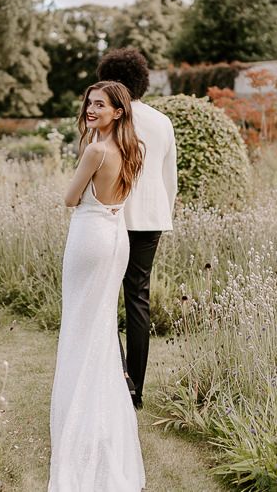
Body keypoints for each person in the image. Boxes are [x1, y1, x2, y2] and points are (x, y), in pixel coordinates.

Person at [48, 80, 146, 492]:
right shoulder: (132, 151)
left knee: (79, 332)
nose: (91, 109)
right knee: (102, 333)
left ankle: (79, 429)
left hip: (89, 239)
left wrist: (88, 147)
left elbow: (70, 199)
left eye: (100, 105)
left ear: (118, 111)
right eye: (89, 103)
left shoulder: (96, 150)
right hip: (116, 238)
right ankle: (102, 426)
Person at [96, 48, 177, 410]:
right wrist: (163, 212)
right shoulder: (162, 122)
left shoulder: (111, 120)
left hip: (112, 217)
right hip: (151, 220)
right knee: (138, 300)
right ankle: (136, 389)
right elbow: (169, 180)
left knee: (103, 298)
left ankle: (119, 376)